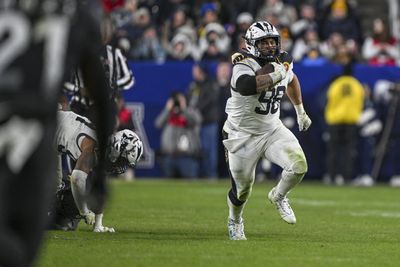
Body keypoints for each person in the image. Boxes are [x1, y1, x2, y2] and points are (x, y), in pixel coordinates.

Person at [0, 1, 114, 266]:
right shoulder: (76, 15)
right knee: (21, 251)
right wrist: (101, 179)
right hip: (33, 135)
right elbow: (103, 99)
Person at [223, 21, 312, 240]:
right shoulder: (243, 63)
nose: (270, 46)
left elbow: (292, 80)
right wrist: (276, 74)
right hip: (241, 134)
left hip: (272, 129)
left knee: (299, 166)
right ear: (252, 44)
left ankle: (279, 195)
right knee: (243, 190)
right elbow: (246, 86)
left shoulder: (281, 62)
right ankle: (235, 220)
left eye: (273, 41)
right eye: (264, 42)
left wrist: (300, 110)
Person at [51, 110, 143, 231]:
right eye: (123, 160)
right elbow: (77, 178)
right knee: (71, 198)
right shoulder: (94, 146)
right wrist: (84, 212)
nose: (122, 166)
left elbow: (100, 189)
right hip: (42, 130)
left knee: (70, 194)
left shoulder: (105, 148)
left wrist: (98, 225)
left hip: (52, 141)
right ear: (117, 149)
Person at [324, 64, 365, 185]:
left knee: (333, 150)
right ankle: (346, 177)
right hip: (351, 120)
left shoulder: (336, 84)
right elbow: (361, 101)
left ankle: (331, 176)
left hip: (335, 120)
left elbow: (329, 100)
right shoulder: (357, 85)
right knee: (348, 150)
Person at [155, 91, 202, 178]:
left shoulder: (191, 111)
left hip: (187, 157)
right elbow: (158, 124)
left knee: (190, 186)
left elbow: (195, 121)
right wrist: (167, 109)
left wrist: (184, 109)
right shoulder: (169, 113)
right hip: (169, 156)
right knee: (168, 188)